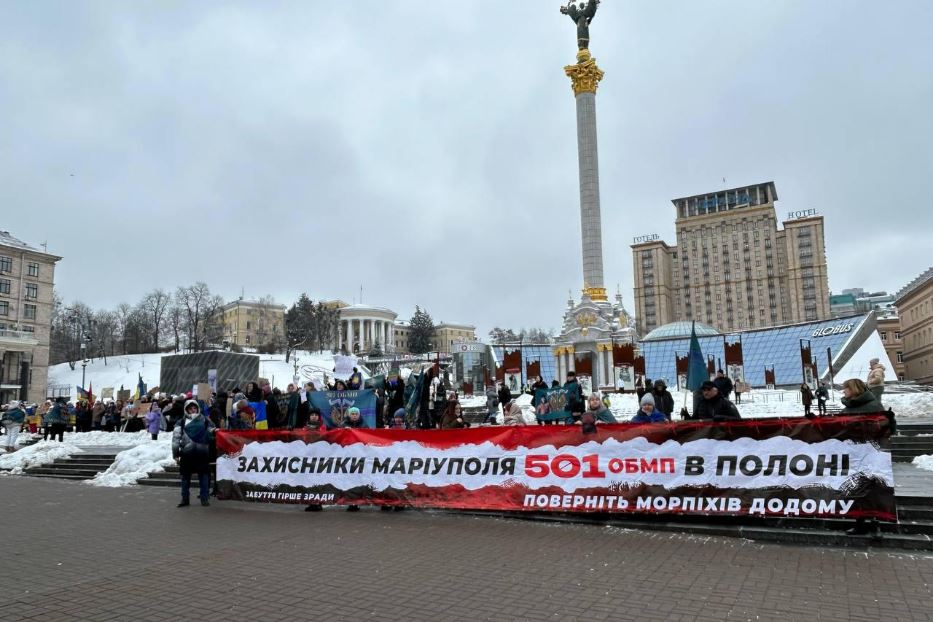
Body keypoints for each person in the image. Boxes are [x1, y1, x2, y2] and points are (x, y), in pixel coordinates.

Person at [172, 400, 216, 508]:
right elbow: (175, 439)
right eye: (190, 408)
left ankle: (204, 498)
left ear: (197, 408)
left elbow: (213, 433)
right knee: (185, 478)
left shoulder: (205, 420)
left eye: (194, 408)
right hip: (188, 454)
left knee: (204, 477)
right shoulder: (181, 422)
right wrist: (175, 453)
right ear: (186, 409)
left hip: (202, 453)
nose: (193, 410)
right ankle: (185, 499)